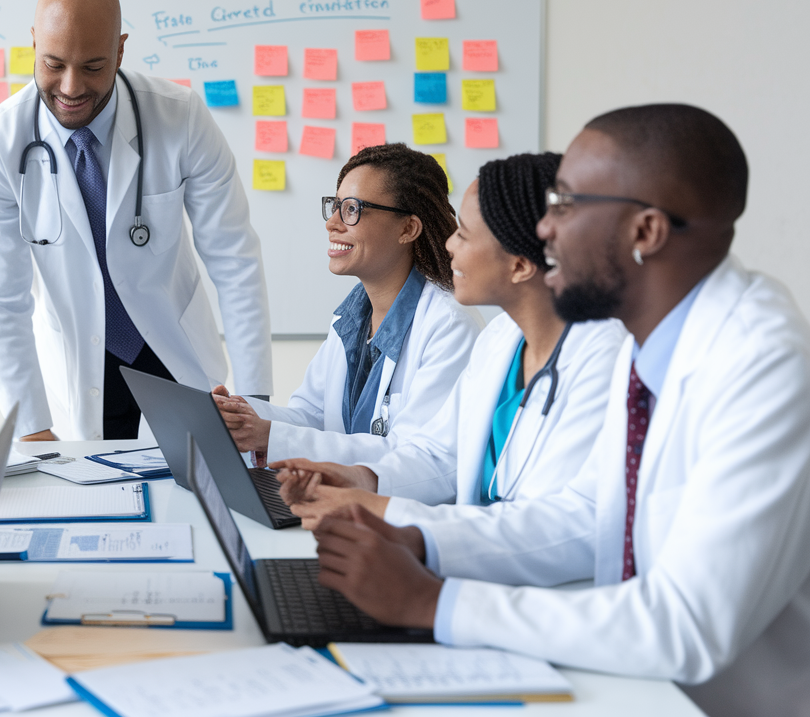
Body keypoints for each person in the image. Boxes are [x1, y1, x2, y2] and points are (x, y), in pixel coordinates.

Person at [310, 105, 810, 717]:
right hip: (620, 677)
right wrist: (419, 541)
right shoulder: (652, 338)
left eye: (567, 205)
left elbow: (689, 624)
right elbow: (586, 514)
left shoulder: (760, 361)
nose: (545, 230)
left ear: (645, 233)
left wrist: (434, 604)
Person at [0, 0, 272, 441]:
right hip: (82, 360)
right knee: (101, 503)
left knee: (204, 495)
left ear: (121, 50)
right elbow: (0, 300)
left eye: (92, 66)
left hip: (175, 349)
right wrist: (30, 424)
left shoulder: (180, 116)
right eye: (53, 64)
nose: (70, 87)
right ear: (33, 44)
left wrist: (255, 398)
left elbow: (234, 258)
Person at [275, 152, 626, 528]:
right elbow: (440, 454)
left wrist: (393, 519)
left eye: (464, 233)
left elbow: (555, 524)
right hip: (470, 559)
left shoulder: (604, 359)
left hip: (540, 580)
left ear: (520, 265)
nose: (448, 244)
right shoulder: (500, 340)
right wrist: (362, 480)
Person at [213, 144, 481, 467]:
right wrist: (241, 415)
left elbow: (413, 459)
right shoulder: (351, 316)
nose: (333, 223)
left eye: (352, 209)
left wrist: (270, 436)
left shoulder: (449, 325)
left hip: (404, 513)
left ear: (407, 228)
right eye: (335, 206)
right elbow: (311, 416)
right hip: (342, 503)